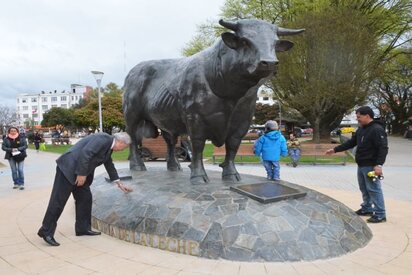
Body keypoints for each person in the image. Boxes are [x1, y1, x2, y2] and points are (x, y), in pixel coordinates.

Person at [37, 132, 133, 246]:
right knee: (58, 201)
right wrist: (81, 174)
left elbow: (108, 163)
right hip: (68, 168)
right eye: (125, 147)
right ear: (121, 142)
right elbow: (86, 153)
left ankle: (82, 228)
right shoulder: (103, 139)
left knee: (85, 198)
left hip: (79, 172)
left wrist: (118, 182)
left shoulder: (109, 146)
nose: (123, 150)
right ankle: (46, 231)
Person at [326, 106, 388, 223]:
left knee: (374, 189)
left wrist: (379, 165)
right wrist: (335, 150)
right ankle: (367, 208)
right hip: (362, 164)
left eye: (359, 117)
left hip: (371, 165)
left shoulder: (376, 129)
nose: (357, 119)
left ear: (367, 116)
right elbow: (351, 143)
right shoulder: (361, 129)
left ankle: (380, 214)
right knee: (364, 188)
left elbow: (383, 148)